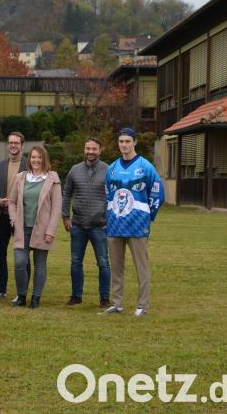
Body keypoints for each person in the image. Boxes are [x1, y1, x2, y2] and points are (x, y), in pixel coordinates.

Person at [100, 128, 165, 317]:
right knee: (116, 267)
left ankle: (142, 305)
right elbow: (107, 195)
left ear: (134, 142)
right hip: (115, 225)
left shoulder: (145, 167)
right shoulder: (111, 168)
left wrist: (147, 215)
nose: (124, 145)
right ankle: (117, 303)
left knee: (141, 267)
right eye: (121, 141)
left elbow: (158, 192)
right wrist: (109, 215)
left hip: (137, 225)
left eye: (127, 141)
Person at [8, 145, 62, 309]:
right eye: (33, 157)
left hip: (42, 229)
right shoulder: (20, 177)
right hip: (22, 228)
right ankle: (22, 296)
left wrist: (50, 230)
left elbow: (56, 207)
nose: (36, 160)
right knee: (20, 263)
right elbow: (12, 201)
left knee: (40, 264)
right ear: (29, 159)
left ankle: (36, 298)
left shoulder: (52, 178)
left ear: (44, 159)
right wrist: (13, 219)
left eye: (39, 157)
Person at [62, 137, 111, 308]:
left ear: (100, 150)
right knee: (76, 262)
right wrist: (65, 217)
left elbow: (115, 196)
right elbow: (66, 194)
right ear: (84, 149)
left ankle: (104, 299)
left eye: (94, 149)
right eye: (88, 148)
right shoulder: (75, 170)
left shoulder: (108, 170)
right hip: (78, 225)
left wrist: (109, 220)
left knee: (103, 262)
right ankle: (76, 296)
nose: (90, 152)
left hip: (100, 225)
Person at [0, 131, 28, 300]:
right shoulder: (0, 166)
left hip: (22, 217)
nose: (13, 146)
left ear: (22, 145)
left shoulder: (29, 165)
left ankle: (23, 292)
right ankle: (1, 290)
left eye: (16, 143)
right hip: (1, 216)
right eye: (10, 143)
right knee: (0, 255)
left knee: (23, 256)